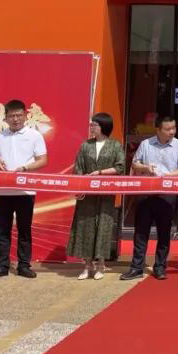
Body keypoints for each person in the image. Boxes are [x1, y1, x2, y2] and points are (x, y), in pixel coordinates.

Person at [0, 99, 48, 279]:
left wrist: (25, 168)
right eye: (12, 116)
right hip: (2, 191)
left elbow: (43, 160)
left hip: (25, 191)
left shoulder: (34, 136)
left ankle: (24, 266)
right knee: (2, 230)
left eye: (19, 115)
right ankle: (1, 266)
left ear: (25, 116)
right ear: (5, 117)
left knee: (24, 229)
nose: (15, 119)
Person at [121, 115, 178, 281]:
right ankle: (136, 267)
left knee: (164, 232)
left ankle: (160, 267)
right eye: (167, 129)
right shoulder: (146, 144)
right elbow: (135, 164)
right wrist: (145, 167)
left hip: (167, 194)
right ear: (158, 129)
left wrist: (167, 177)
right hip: (146, 192)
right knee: (140, 232)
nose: (172, 132)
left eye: (173, 128)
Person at [67, 112, 125, 281]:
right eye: (91, 124)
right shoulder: (86, 145)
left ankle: (101, 264)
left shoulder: (115, 145)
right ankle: (86, 265)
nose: (91, 127)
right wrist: (80, 186)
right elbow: (78, 168)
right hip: (88, 194)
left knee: (103, 227)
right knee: (86, 226)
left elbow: (120, 167)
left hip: (106, 193)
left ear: (104, 126)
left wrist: (100, 173)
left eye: (95, 125)